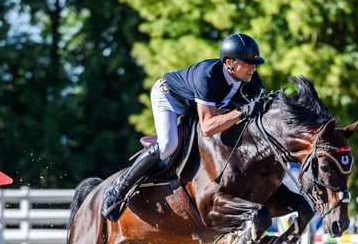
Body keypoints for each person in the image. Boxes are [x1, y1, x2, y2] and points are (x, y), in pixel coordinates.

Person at [102, 33, 267, 221]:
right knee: (168, 144)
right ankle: (119, 190)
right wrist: (241, 112)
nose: (253, 68)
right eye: (247, 63)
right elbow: (207, 126)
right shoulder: (208, 76)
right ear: (229, 63)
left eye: (254, 64)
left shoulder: (251, 78)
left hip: (198, 106)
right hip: (169, 98)